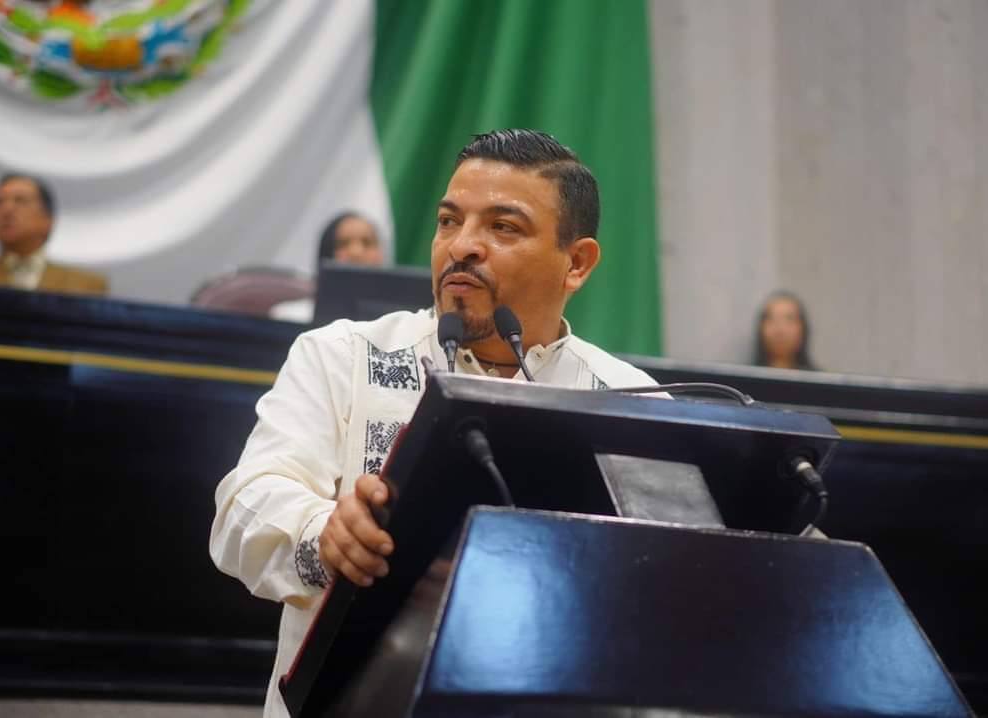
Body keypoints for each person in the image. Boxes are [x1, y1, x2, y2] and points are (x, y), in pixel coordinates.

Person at [209, 129, 658, 716]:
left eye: (503, 227)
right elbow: (243, 507)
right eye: (449, 221)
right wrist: (326, 534)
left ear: (576, 263)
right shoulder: (343, 356)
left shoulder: (629, 399)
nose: (462, 246)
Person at [0, 173, 108, 295]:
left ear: (47, 220)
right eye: (0, 202)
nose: (6, 210)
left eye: (20, 201)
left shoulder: (86, 287)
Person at [268, 212, 384, 322]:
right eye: (343, 243)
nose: (356, 252)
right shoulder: (290, 316)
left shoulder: (396, 322)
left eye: (367, 242)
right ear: (326, 252)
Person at [752, 291, 817, 370]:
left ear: (803, 329)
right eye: (771, 319)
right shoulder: (742, 379)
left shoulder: (820, 380)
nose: (780, 330)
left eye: (789, 319)